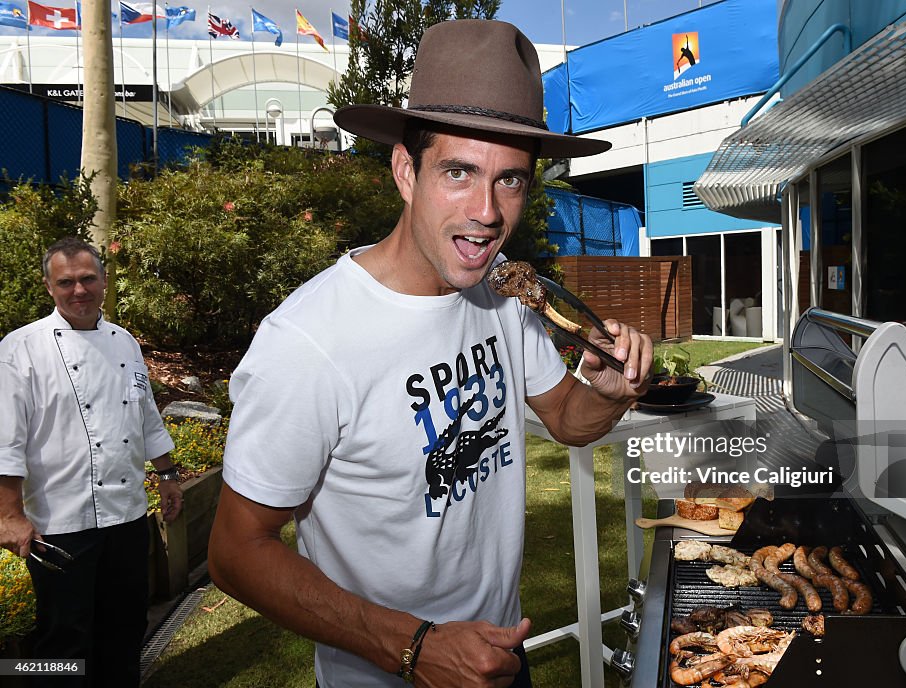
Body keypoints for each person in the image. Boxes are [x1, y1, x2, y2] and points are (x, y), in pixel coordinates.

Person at [208, 19, 653, 688]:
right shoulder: (308, 342)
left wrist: (609, 398)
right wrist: (415, 648)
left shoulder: (505, 289)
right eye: (459, 172)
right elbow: (234, 552)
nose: (486, 213)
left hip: (503, 657)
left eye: (510, 181)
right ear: (406, 171)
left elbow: (566, 418)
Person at [0, 237, 183, 688]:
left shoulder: (124, 342)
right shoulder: (19, 349)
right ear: (49, 287)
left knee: (125, 626)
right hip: (60, 522)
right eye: (66, 282)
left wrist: (167, 474)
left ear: (103, 281)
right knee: (63, 637)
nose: (78, 290)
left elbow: (144, 415)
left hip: (125, 514)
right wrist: (8, 515)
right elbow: (6, 439)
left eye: (87, 279)